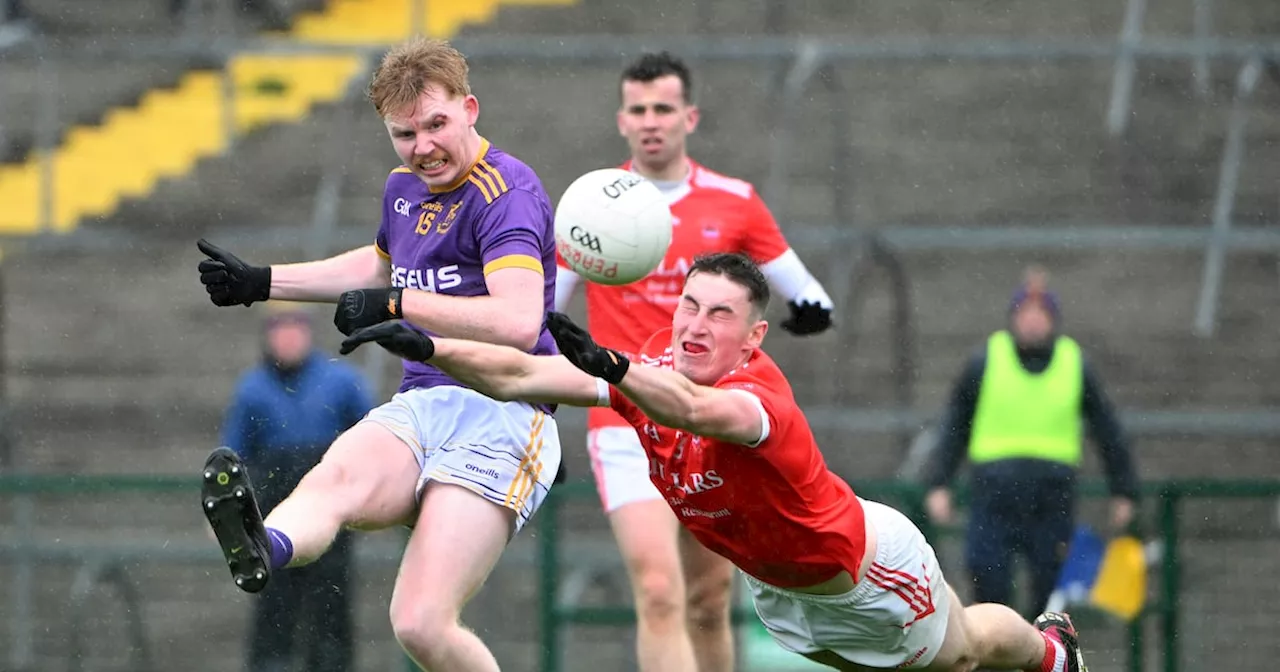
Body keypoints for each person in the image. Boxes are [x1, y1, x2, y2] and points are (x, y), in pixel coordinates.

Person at [339, 252, 1089, 672]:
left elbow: (695, 412)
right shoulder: (650, 370)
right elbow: (523, 375)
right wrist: (424, 339)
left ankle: (1053, 654)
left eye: (719, 315)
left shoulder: (755, 393)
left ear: (754, 337)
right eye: (689, 305)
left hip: (863, 567)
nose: (696, 324)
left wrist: (617, 369)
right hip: (784, 593)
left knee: (964, 655)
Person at [194, 36, 562, 672]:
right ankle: (266, 545)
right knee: (330, 481)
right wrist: (263, 282)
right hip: (422, 403)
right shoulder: (403, 187)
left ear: (470, 109)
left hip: (505, 411)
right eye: (404, 134)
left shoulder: (507, 192)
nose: (422, 147)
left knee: (419, 624)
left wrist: (398, 304)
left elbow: (517, 319)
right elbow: (379, 263)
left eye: (436, 125)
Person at [554, 51, 835, 672]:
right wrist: (537, 408)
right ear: (621, 120)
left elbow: (809, 295)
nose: (651, 120)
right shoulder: (593, 205)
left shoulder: (735, 202)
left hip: (708, 422)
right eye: (638, 109)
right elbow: (539, 316)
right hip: (624, 421)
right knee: (658, 592)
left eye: (663, 108)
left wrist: (811, 312)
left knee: (709, 600)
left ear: (690, 116)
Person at [922, 267, 1138, 618]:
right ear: (1013, 318)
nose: (1033, 323)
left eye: (1041, 315)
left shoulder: (1074, 363)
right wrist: (938, 482)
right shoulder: (986, 360)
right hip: (993, 498)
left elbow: (1107, 430)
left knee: (1048, 595)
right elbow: (955, 425)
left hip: (1052, 500)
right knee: (988, 587)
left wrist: (1124, 489)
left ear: (1053, 320)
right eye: (1025, 314)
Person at [220, 304, 374, 672]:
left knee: (330, 607)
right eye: (279, 328)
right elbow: (233, 456)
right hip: (273, 510)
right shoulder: (251, 389)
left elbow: (371, 437)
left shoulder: (341, 381)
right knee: (274, 605)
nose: (288, 337)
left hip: (329, 510)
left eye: (295, 327)